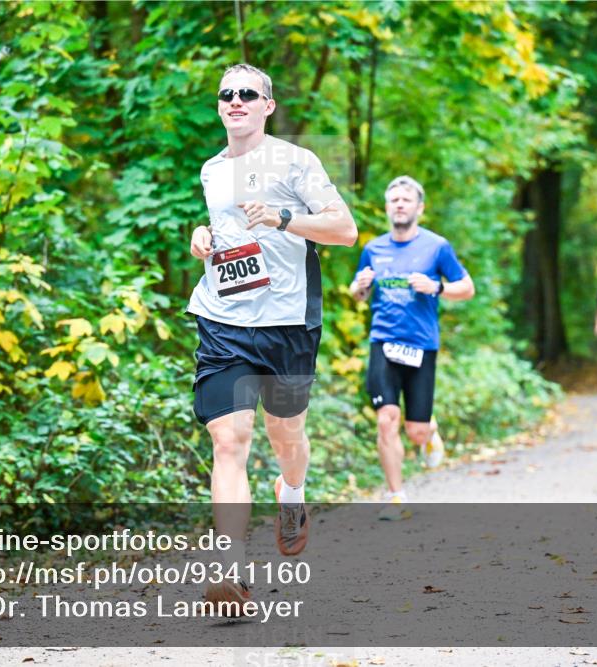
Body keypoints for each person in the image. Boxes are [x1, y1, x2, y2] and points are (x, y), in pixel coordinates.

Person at [187, 64, 357, 611]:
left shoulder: (295, 161)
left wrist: (284, 218)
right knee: (228, 440)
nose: (235, 101)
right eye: (226, 94)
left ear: (268, 105)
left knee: (286, 436)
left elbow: (345, 230)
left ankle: (293, 493)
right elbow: (227, 230)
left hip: (287, 321)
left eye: (247, 93)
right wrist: (203, 236)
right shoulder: (212, 170)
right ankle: (230, 573)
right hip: (223, 319)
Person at [349, 176, 474, 520]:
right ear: (387, 207)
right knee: (386, 419)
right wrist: (359, 287)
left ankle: (428, 431)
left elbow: (467, 288)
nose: (400, 204)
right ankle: (396, 496)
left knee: (414, 431)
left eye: (406, 199)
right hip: (383, 342)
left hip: (421, 344)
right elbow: (358, 293)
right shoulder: (373, 249)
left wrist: (437, 288)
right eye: (394, 200)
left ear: (420, 208)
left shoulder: (437, 247)